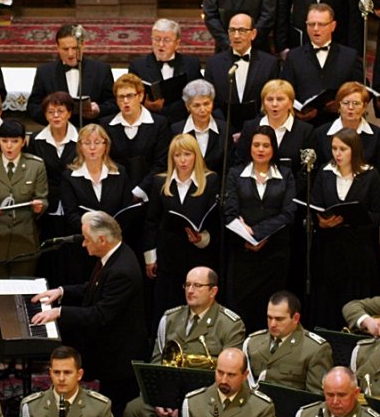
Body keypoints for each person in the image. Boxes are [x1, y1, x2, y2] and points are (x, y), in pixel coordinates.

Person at [30, 211, 147, 417]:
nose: (83, 244)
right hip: (113, 353)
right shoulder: (114, 256)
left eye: (87, 239)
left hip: (121, 359)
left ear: (102, 240)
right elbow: (93, 287)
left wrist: (59, 312)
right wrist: (61, 291)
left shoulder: (122, 270)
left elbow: (100, 314)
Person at [122, 266, 245, 417]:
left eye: (197, 285)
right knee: (134, 411)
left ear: (213, 291)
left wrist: (190, 404)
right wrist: (160, 398)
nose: (190, 290)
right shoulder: (170, 318)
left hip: (207, 398)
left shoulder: (230, 324)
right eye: (187, 285)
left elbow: (231, 374)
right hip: (169, 393)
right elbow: (157, 361)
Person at [308, 128, 380, 330]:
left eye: (342, 149)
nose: (337, 153)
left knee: (356, 295)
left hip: (360, 250)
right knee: (329, 298)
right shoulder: (325, 174)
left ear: (354, 150)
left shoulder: (370, 175)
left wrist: (358, 220)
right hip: (329, 249)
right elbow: (314, 205)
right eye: (334, 148)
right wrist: (322, 222)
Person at [223, 126, 297, 333]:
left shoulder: (286, 174)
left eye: (266, 145)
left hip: (275, 254)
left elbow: (289, 212)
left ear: (274, 148)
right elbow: (230, 212)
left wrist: (257, 232)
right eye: (256, 145)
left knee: (270, 308)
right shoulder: (236, 174)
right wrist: (247, 236)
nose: (261, 149)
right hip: (242, 252)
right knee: (241, 308)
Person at [143, 135, 222, 316]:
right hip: (168, 255)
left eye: (187, 154)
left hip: (198, 255)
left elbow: (215, 221)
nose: (183, 160)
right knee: (167, 307)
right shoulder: (160, 182)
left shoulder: (210, 181)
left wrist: (202, 238)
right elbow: (151, 221)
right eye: (177, 155)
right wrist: (150, 257)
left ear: (196, 155)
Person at [101, 72, 170, 253]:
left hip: (150, 196)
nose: (125, 101)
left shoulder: (159, 124)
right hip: (118, 198)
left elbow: (161, 163)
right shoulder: (106, 125)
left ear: (140, 96)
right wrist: (123, 193)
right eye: (121, 97)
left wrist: (140, 190)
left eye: (130, 96)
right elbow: (106, 161)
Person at [0, 120, 48, 283]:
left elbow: (43, 197)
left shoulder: (35, 165)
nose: (9, 146)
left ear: (23, 142)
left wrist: (39, 207)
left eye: (14, 141)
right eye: (4, 141)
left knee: (21, 294)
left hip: (24, 242)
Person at [59, 124, 135, 284]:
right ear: (80, 147)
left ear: (106, 145)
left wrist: (109, 235)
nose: (92, 147)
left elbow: (127, 210)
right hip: (84, 247)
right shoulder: (69, 177)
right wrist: (92, 233)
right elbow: (70, 214)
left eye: (98, 142)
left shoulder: (119, 173)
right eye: (87, 143)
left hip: (113, 246)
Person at [280, 3, 363, 129]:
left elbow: (360, 90)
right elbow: (284, 91)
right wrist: (297, 111)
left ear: (333, 26)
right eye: (311, 24)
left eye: (321, 24)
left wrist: (341, 105)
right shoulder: (293, 56)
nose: (316, 29)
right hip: (304, 127)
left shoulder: (349, 56)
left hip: (340, 126)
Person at [28, 92, 77, 286]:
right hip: (48, 207)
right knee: (51, 257)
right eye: (51, 112)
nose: (55, 116)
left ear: (69, 114)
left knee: (72, 257)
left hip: (74, 204)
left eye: (60, 111)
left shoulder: (81, 138)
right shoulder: (37, 141)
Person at [242, 290, 332, 394]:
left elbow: (316, 398)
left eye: (279, 319)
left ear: (295, 318)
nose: (273, 324)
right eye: (269, 318)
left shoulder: (315, 350)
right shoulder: (253, 343)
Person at [203, 13, 280, 132]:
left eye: (242, 30)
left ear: (253, 34)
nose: (236, 35)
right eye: (232, 30)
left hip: (259, 130)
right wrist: (226, 128)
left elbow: (271, 101)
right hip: (223, 130)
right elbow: (210, 100)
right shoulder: (213, 63)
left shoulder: (270, 64)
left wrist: (251, 129)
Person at [27, 23, 117, 124]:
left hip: (91, 133)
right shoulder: (45, 72)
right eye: (65, 49)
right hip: (57, 134)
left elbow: (114, 103)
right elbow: (33, 107)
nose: (70, 54)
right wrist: (53, 116)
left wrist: (99, 110)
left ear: (83, 45)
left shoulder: (101, 70)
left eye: (75, 48)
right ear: (58, 48)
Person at [176, 347, 276, 417]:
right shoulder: (193, 403)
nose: (224, 380)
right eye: (220, 372)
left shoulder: (262, 408)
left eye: (231, 375)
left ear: (245, 375)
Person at [18, 346, 115, 417]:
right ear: (50, 373)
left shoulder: (99, 407)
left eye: (67, 372)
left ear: (79, 374)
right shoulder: (31, 407)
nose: (61, 378)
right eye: (56, 372)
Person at [127, 18, 204, 125]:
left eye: (167, 40)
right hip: (151, 123)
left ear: (177, 43)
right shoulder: (137, 66)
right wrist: (144, 104)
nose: (161, 44)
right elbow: (129, 97)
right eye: (157, 39)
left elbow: (199, 95)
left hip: (183, 122)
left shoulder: (191, 64)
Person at [311, 81, 380, 170]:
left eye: (356, 103)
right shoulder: (321, 134)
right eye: (346, 103)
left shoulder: (378, 136)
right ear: (338, 106)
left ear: (364, 107)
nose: (350, 107)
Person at [293, 366, 380, 417]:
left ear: (356, 393)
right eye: (330, 395)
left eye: (342, 395)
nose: (335, 401)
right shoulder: (305, 416)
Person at [171, 79, 229, 175]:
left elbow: (228, 167)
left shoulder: (225, 129)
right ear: (187, 106)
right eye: (196, 105)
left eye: (207, 104)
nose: (203, 110)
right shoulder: (176, 130)